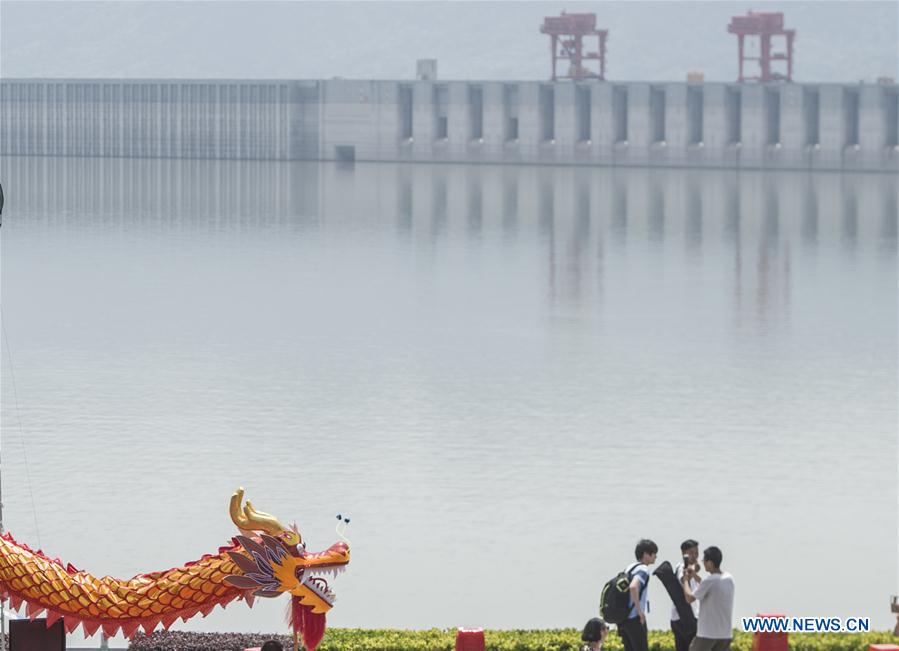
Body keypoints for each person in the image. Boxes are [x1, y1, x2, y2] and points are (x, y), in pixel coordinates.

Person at [682, 546, 735, 651]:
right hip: (725, 634)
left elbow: (689, 598)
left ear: (710, 563)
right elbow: (711, 587)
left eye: (704, 560)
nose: (703, 563)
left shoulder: (709, 581)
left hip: (707, 634)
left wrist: (685, 581)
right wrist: (695, 576)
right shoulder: (729, 578)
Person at [619, 539, 659, 651]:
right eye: (654, 553)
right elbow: (633, 586)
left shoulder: (630, 567)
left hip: (624, 619)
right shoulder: (643, 569)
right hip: (634, 618)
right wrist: (640, 612)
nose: (656, 557)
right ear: (646, 554)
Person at [671, 539, 701, 651]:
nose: (695, 556)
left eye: (697, 553)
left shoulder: (689, 568)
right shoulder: (681, 568)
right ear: (684, 553)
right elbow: (684, 576)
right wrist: (691, 571)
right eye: (692, 553)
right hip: (686, 618)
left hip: (680, 617)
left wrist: (694, 569)